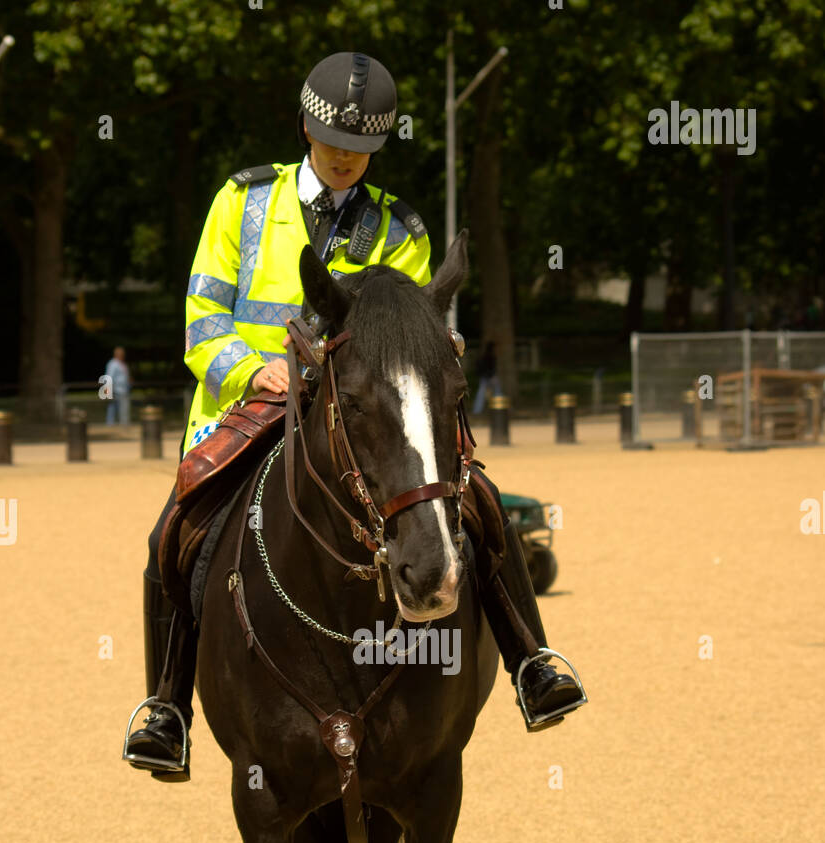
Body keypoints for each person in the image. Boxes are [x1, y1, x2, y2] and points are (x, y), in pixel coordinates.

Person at [124, 51, 586, 782]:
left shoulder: (400, 228)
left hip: (361, 416)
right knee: (169, 536)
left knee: (481, 503)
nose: (346, 159)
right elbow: (201, 317)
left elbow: (417, 329)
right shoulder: (240, 203)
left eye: (362, 148)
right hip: (248, 411)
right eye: (335, 141)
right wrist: (254, 368)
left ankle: (532, 662)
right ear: (306, 128)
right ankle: (166, 709)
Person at [473, 340, 502, 414]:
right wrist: (491, 376)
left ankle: (478, 410)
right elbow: (487, 369)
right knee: (495, 392)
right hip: (487, 377)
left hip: (486, 377)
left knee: (482, 394)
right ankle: (499, 407)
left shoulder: (485, 356)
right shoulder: (490, 356)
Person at [104, 347, 131, 425]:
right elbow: (109, 377)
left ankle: (117, 425)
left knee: (114, 409)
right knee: (119, 409)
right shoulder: (113, 363)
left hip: (123, 390)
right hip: (117, 390)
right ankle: (119, 425)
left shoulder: (121, 363)